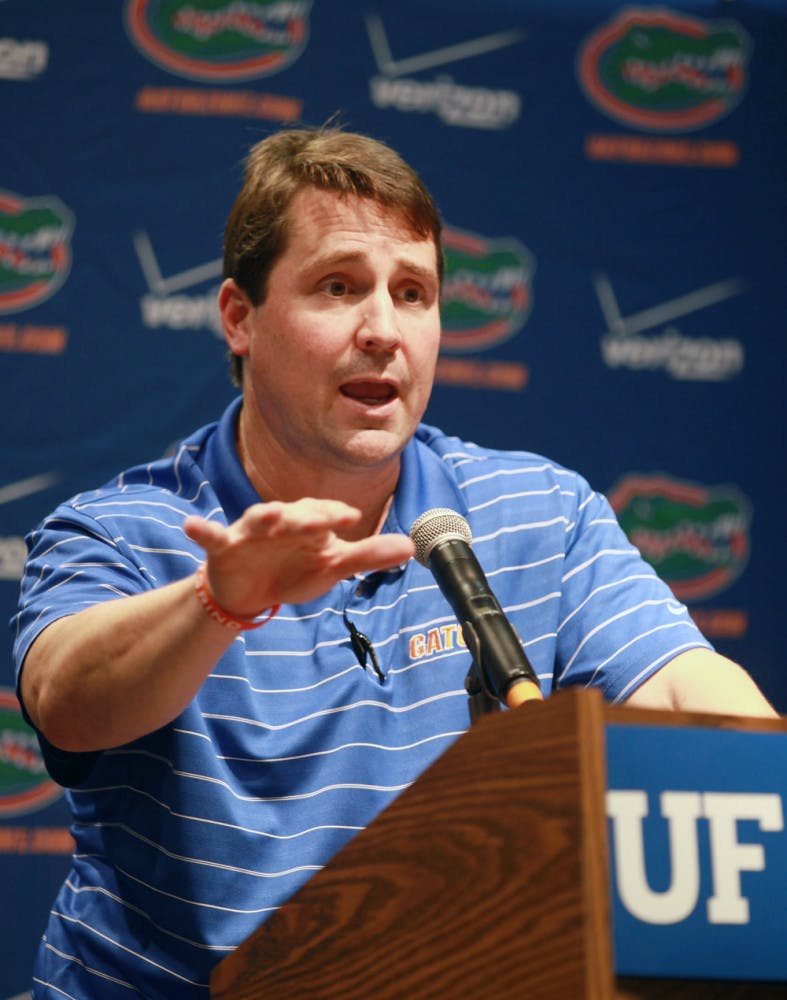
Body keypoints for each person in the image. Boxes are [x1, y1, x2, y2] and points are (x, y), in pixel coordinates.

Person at [11, 125, 776, 999]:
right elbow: (69, 704)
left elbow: (687, 694)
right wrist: (219, 600)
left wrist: (766, 785)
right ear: (239, 317)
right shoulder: (122, 530)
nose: (382, 330)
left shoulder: (540, 513)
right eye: (338, 286)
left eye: (412, 293)